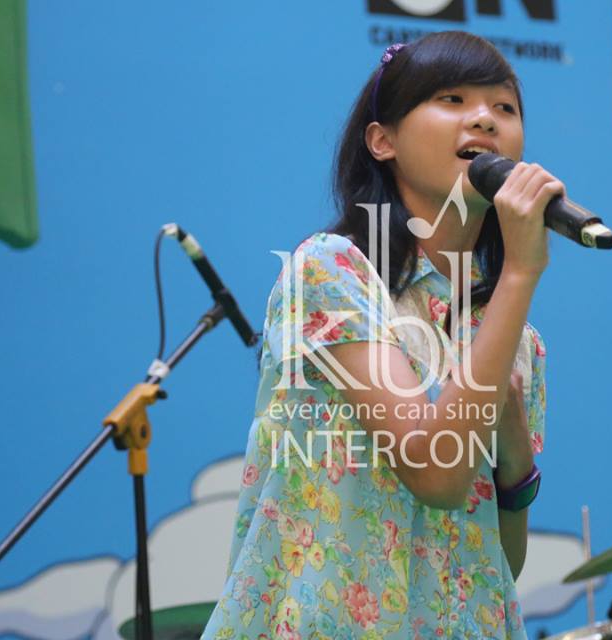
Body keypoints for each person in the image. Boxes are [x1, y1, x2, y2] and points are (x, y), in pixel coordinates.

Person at [201, 30, 561, 640]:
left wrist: (516, 454)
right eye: (452, 99)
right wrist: (522, 271)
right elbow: (435, 475)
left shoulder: (514, 335)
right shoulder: (332, 271)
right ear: (382, 141)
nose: (484, 119)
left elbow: (498, 562)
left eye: (504, 107)